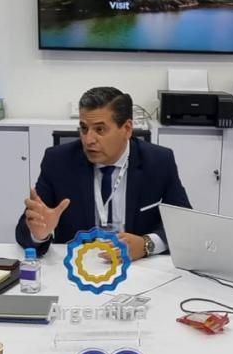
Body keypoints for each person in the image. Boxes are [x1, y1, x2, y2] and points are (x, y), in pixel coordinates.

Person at [15, 87, 191, 260]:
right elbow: (25, 229)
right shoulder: (58, 162)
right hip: (78, 265)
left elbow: (184, 222)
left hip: (138, 264)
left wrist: (146, 244)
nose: (88, 140)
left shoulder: (159, 161)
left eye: (100, 130)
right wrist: (39, 234)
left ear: (127, 129)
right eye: (84, 128)